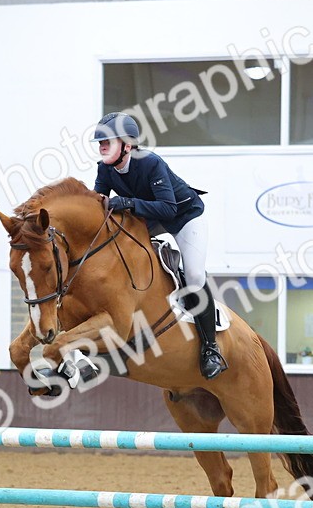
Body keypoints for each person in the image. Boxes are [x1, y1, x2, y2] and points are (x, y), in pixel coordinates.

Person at [91, 111, 227, 380]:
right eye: (100, 142)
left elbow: (168, 208)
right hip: (148, 218)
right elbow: (99, 204)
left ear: (127, 145)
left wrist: (127, 203)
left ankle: (211, 349)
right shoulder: (105, 168)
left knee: (195, 276)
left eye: (108, 141)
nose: (102, 146)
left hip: (184, 217)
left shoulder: (150, 163)